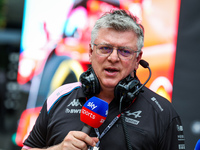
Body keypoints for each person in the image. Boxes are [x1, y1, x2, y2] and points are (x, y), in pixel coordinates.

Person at [21, 9, 185, 150]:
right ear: (91, 53)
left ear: (137, 60)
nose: (113, 58)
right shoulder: (59, 98)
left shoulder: (162, 113)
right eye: (105, 48)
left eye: (125, 51)